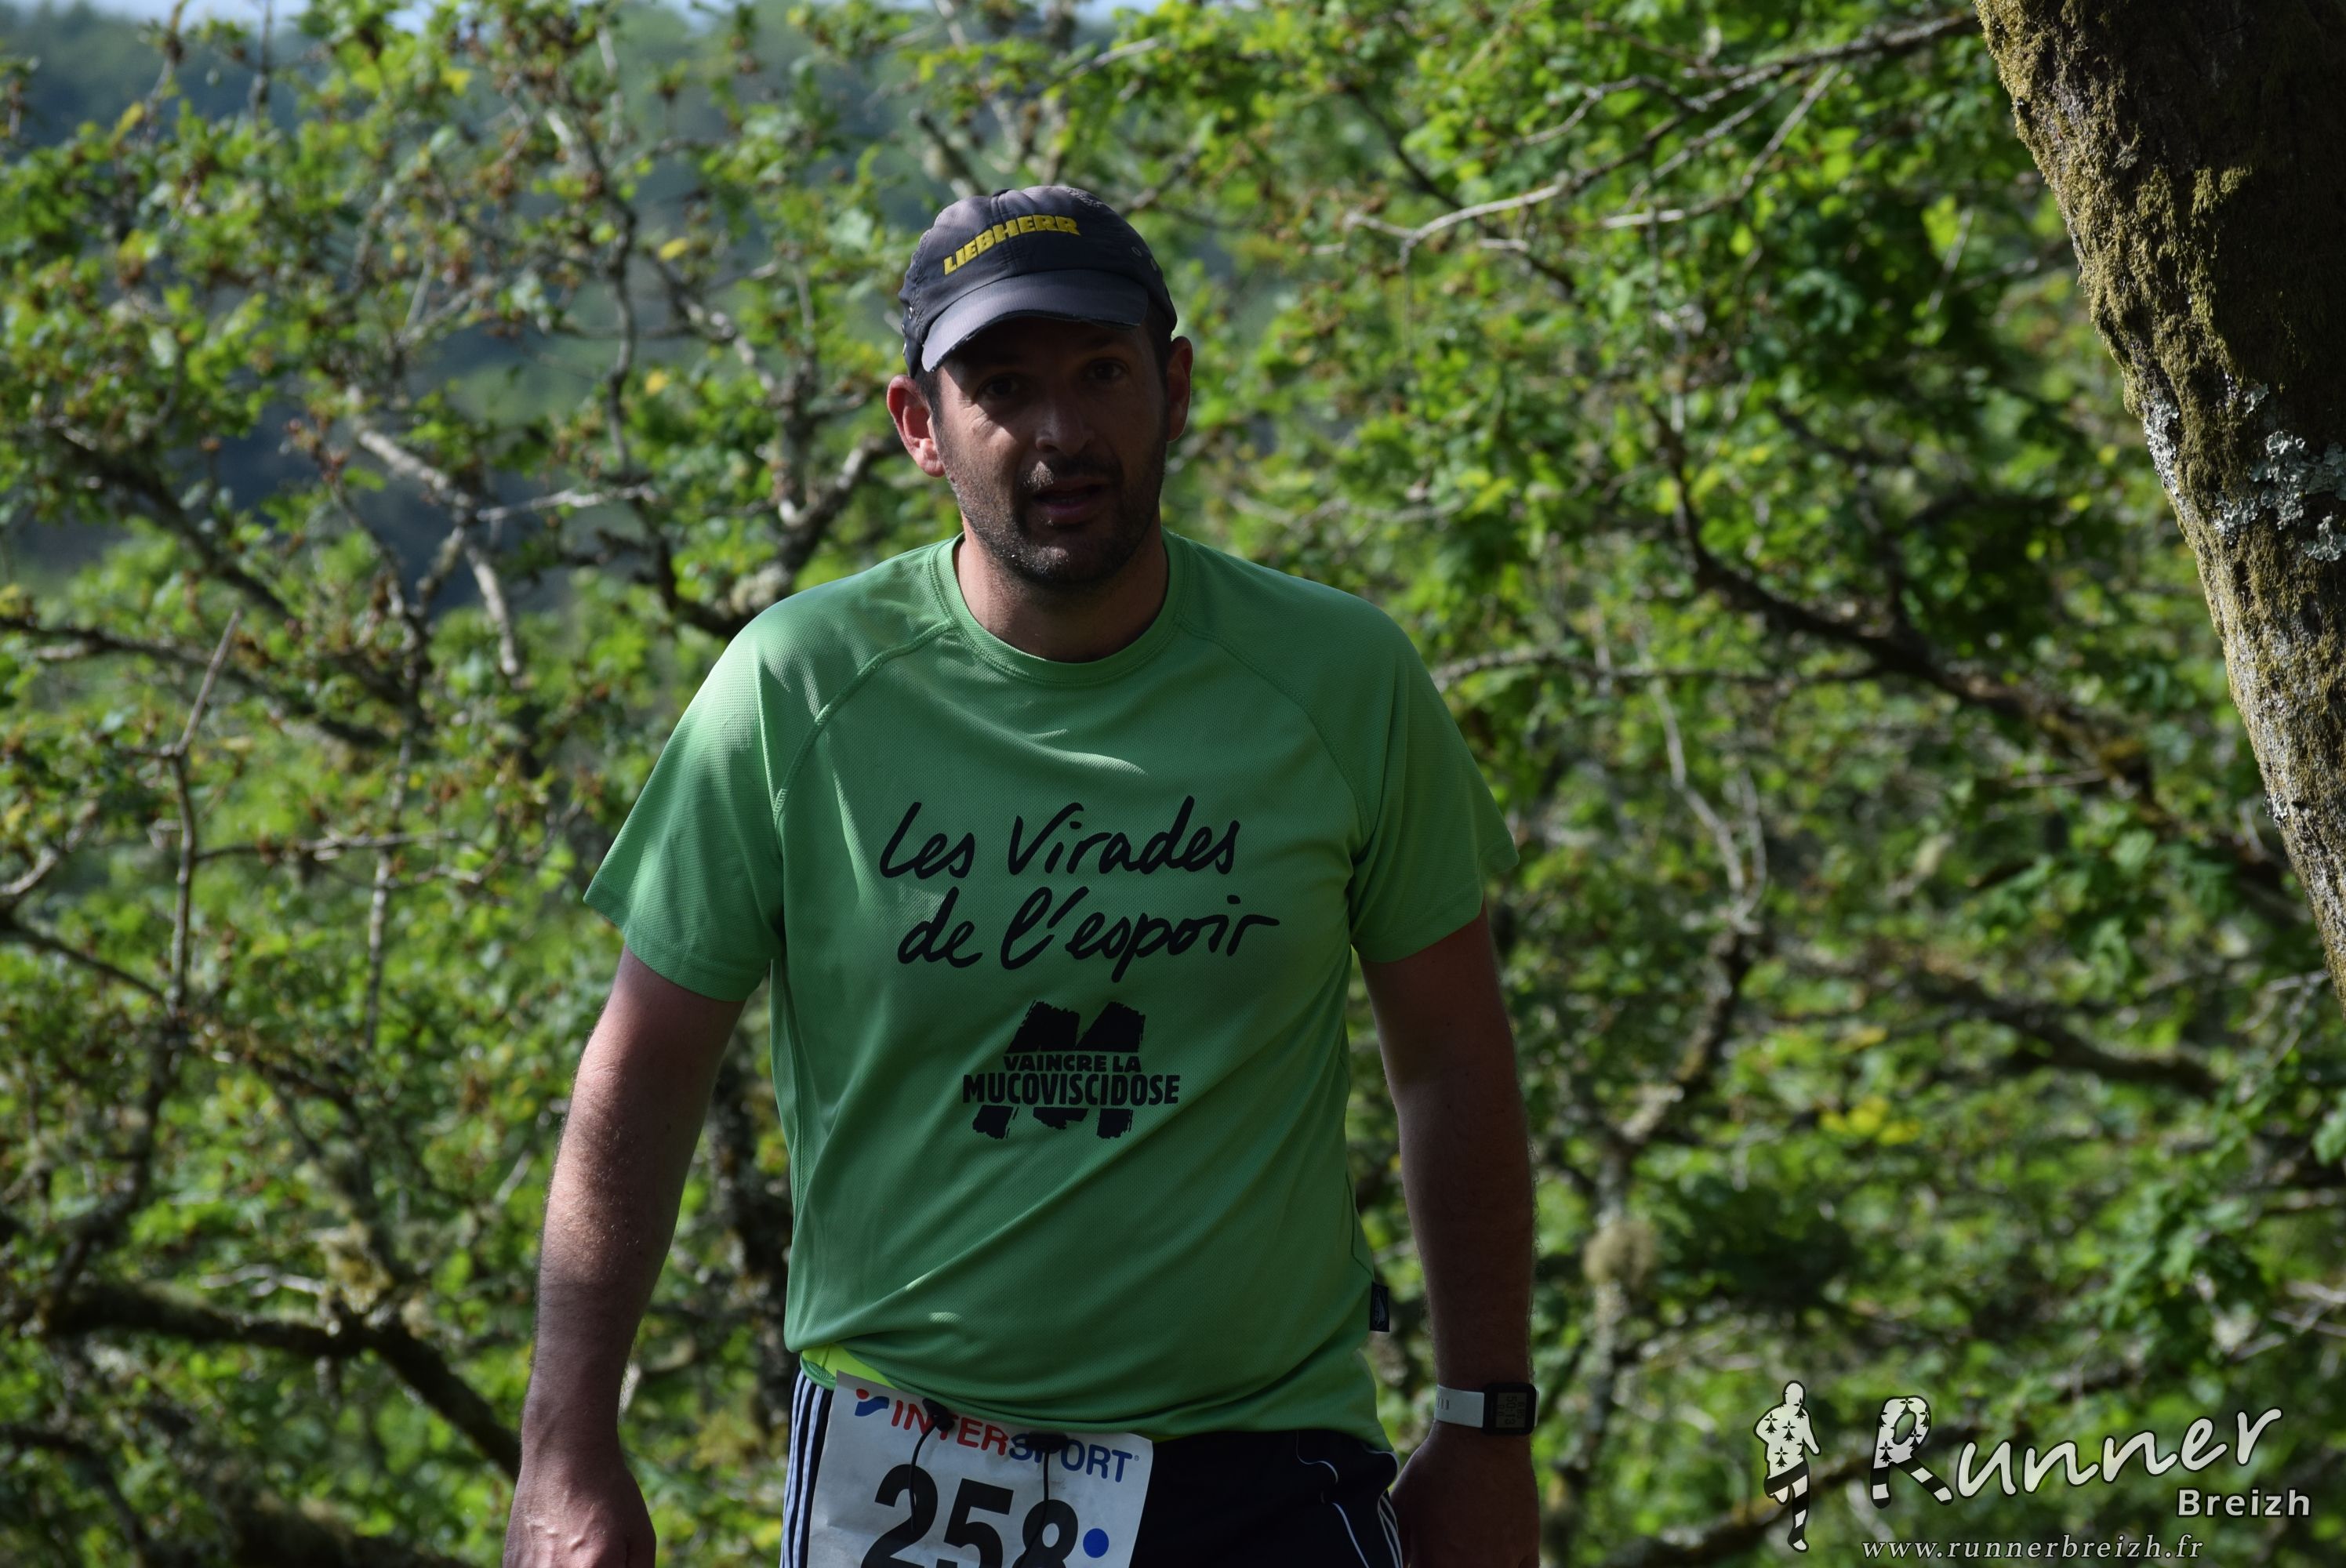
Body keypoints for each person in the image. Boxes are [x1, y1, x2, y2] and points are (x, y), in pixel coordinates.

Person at [501, 184, 1539, 1568]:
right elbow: (644, 1067)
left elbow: (1453, 1060)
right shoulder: (795, 688)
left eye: (1103, 372)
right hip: (904, 1477)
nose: (1061, 432)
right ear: (919, 426)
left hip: (1266, 1468)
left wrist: (1485, 1426)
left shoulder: (1342, 680)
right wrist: (565, 1444)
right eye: (1002, 387)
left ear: (1174, 389)